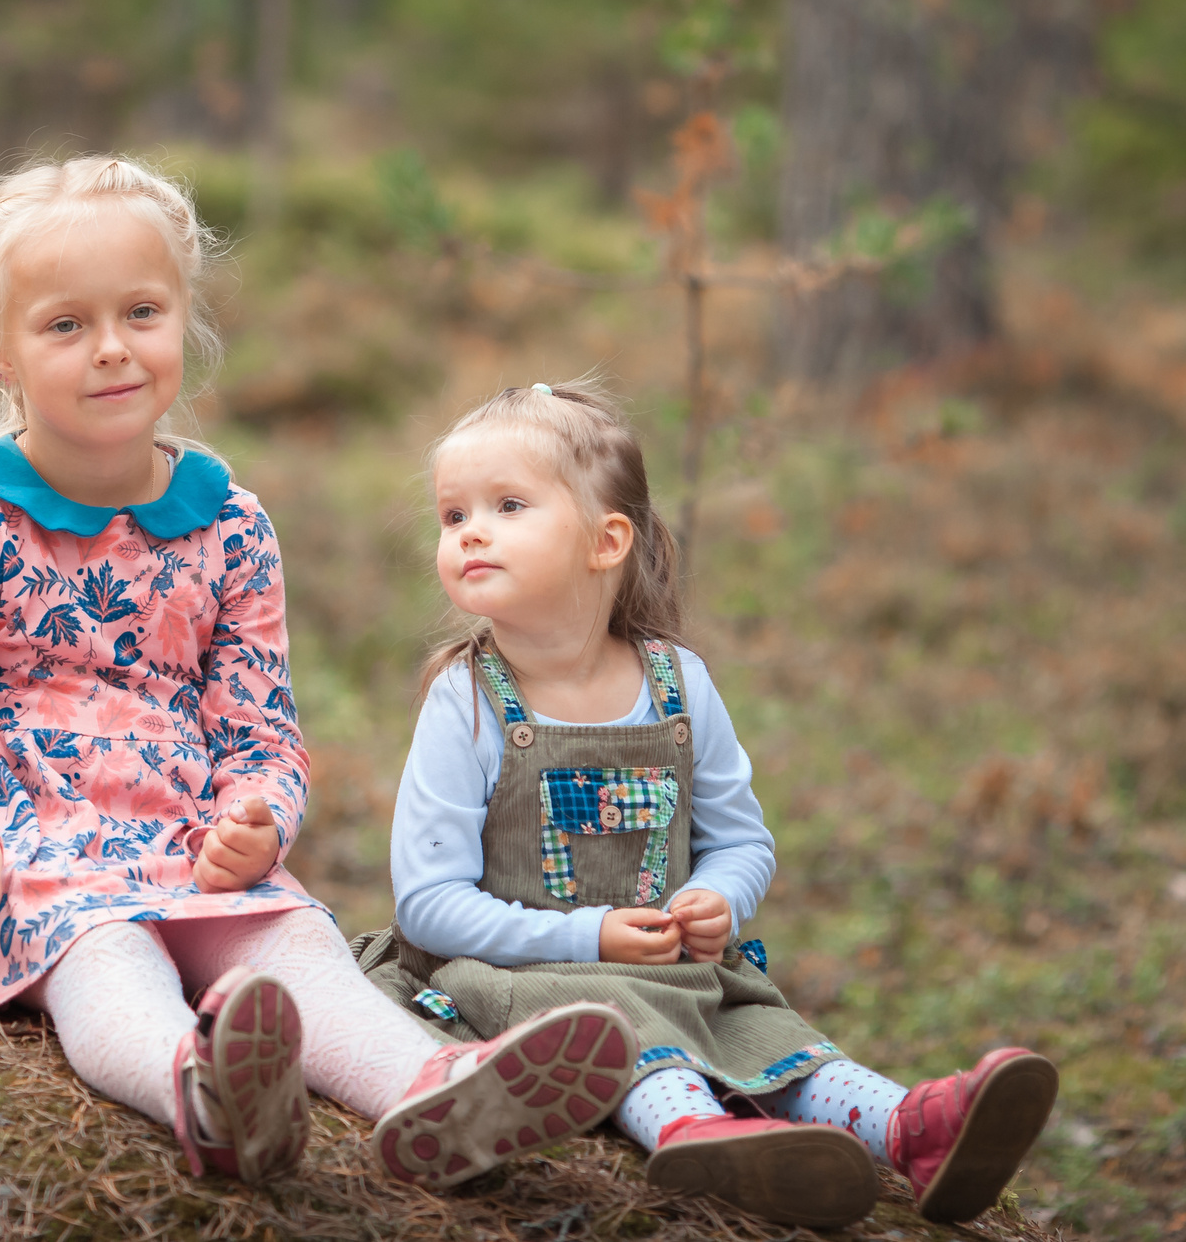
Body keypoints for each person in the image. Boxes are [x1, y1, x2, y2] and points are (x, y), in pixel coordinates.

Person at [0, 154, 637, 1187]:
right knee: (106, 954)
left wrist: (256, 813)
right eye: (65, 325)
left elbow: (258, 728)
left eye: (140, 311)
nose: (112, 350)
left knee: (293, 941)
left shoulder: (229, 523)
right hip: (22, 848)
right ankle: (202, 1087)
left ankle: (439, 1092)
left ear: (184, 318)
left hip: (181, 838)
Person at [356, 378, 1058, 1226]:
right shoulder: (467, 700)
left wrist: (718, 896)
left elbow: (742, 839)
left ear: (607, 539)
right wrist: (590, 934)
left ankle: (911, 1126)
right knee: (610, 1018)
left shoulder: (676, 685)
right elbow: (427, 905)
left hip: (671, 966)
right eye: (451, 514)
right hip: (520, 974)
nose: (470, 530)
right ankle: (695, 1133)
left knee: (766, 1033)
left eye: (507, 504)